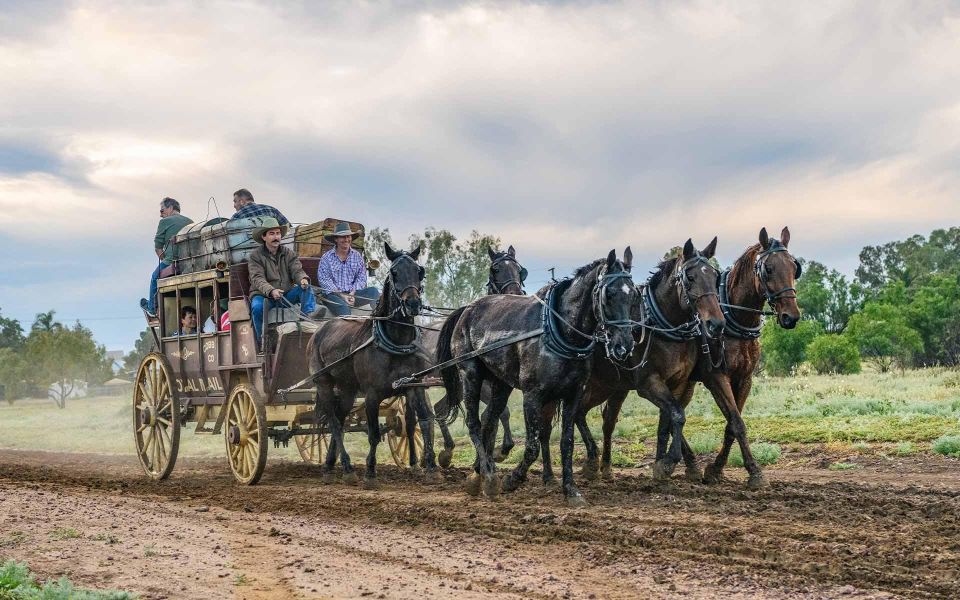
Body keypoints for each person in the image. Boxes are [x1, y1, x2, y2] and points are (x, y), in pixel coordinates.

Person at [248, 217, 317, 343]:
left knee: (306, 289)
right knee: (257, 307)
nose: (276, 237)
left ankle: (307, 324)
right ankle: (261, 342)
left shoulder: (288, 253)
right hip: (264, 296)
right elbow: (257, 278)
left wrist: (302, 279)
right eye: (272, 234)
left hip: (285, 295)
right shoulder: (255, 256)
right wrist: (271, 290)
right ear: (264, 237)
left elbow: (297, 269)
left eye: (278, 233)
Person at [140, 198, 192, 318]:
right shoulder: (190, 221)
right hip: (190, 261)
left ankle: (152, 308)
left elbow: (158, 247)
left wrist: (165, 259)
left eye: (162, 211)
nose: (160, 214)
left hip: (172, 261)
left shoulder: (165, 222)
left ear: (170, 208)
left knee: (154, 277)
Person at [316, 222, 380, 316]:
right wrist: (341, 295)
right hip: (333, 295)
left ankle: (376, 321)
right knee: (344, 309)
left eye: (348, 236)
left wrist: (353, 293)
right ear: (336, 239)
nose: (346, 239)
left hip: (352, 293)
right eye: (343, 237)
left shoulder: (357, 256)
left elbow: (361, 278)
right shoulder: (327, 257)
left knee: (373, 291)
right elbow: (324, 280)